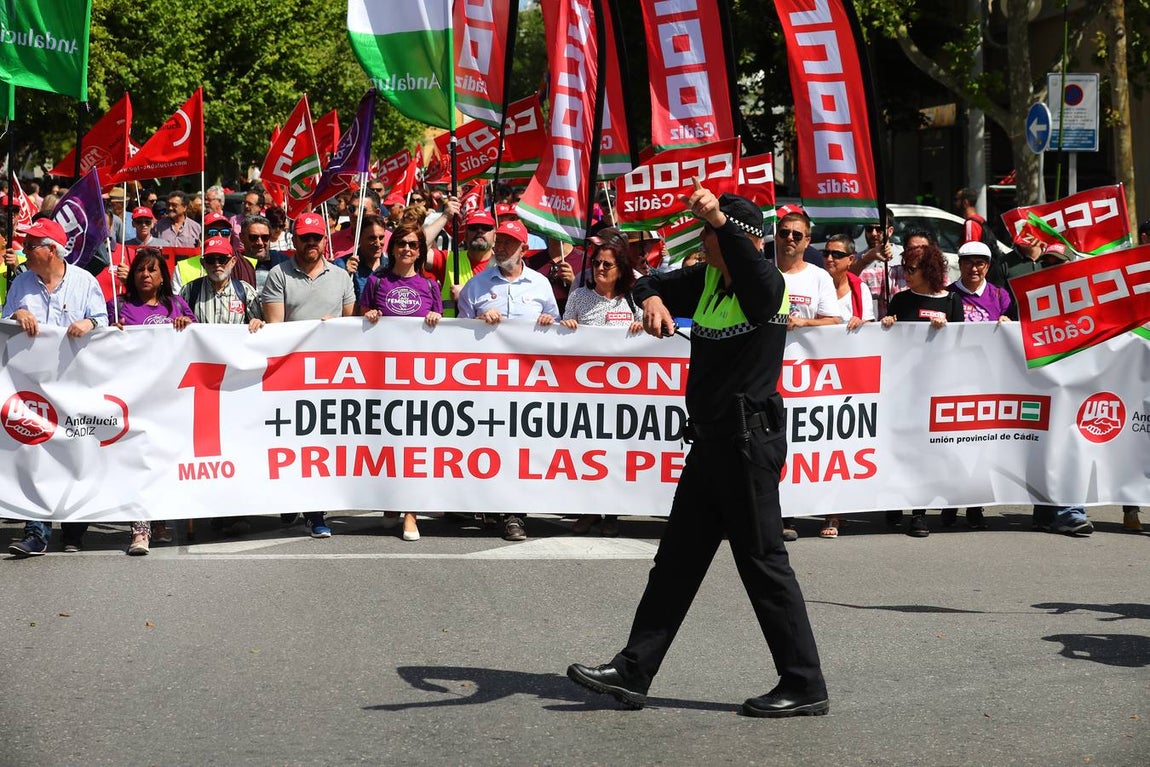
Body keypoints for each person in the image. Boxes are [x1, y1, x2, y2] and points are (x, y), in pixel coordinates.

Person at [567, 184, 828, 718]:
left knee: (763, 564)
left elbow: (746, 261)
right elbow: (650, 284)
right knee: (676, 562)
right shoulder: (708, 277)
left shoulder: (765, 283)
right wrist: (656, 301)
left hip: (748, 445)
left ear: (735, 238)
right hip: (710, 443)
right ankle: (634, 669)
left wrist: (717, 216)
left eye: (708, 235)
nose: (702, 246)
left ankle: (804, 684)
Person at [4, 219, 108, 556]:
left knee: (76, 452)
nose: (24, 250)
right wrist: (16, 313)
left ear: (51, 250)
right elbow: (5, 323)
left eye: (31, 245)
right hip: (33, 389)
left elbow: (105, 322)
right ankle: (37, 532)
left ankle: (75, 530)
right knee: (35, 454)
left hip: (76, 384)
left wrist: (89, 322)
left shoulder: (84, 282)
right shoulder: (21, 283)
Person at [457, 219, 558, 542]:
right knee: (490, 446)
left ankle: (513, 513)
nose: (500, 247)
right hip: (486, 384)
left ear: (523, 249)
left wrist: (548, 322)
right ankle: (490, 504)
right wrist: (477, 322)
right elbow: (456, 335)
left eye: (508, 244)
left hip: (528, 385)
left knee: (519, 448)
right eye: (499, 241)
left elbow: (556, 328)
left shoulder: (540, 285)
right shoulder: (477, 284)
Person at [260, 212, 356, 539]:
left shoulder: (341, 277)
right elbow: (275, 327)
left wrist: (334, 329)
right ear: (295, 240)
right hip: (290, 371)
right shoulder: (278, 274)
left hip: (329, 375)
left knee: (320, 443)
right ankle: (296, 499)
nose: (311, 243)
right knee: (292, 440)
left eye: (316, 237)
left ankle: (314, 510)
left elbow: (349, 327)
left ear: (323, 240)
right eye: (305, 238)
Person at [107, 248, 196, 554]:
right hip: (134, 397)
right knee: (138, 461)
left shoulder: (176, 304)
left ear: (162, 277)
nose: (145, 275)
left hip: (170, 396)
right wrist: (109, 331)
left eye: (152, 270)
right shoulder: (119, 306)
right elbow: (96, 338)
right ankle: (140, 528)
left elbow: (200, 338)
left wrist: (186, 323)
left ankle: (159, 521)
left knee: (162, 461)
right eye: (140, 270)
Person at [360, 223, 444, 542]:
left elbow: (443, 335)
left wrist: (438, 320)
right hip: (384, 379)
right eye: (401, 244)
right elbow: (360, 317)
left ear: (420, 251)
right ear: (392, 248)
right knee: (388, 444)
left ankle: (411, 512)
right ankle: (392, 503)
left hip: (420, 380)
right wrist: (367, 318)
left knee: (414, 447)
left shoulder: (431, 286)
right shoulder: (376, 281)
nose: (407, 249)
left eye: (413, 244)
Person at [561, 227, 642, 538]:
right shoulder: (580, 295)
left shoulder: (632, 299)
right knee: (589, 451)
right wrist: (567, 325)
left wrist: (640, 326)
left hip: (623, 391)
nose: (600, 269)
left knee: (616, 451)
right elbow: (565, 329)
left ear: (619, 268)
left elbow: (651, 330)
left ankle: (612, 513)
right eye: (596, 263)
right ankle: (589, 509)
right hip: (586, 390)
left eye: (607, 264)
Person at [880, 242, 964, 538]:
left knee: (926, 452)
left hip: (937, 388)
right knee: (901, 448)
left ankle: (918, 513)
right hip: (903, 387)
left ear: (928, 270)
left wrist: (947, 329)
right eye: (904, 268)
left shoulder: (952, 301)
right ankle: (894, 502)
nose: (905, 274)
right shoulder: (901, 300)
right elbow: (888, 341)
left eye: (911, 269)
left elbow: (962, 344)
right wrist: (888, 323)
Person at [772, 209, 840, 541]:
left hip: (807, 377)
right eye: (784, 232)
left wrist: (802, 322)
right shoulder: (762, 271)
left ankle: (798, 511)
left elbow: (833, 321)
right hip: (765, 373)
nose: (789, 239)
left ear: (807, 240)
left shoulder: (818, 277)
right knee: (770, 446)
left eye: (797, 235)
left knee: (801, 447)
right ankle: (779, 514)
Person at [442, 209, 497, 317]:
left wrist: (465, 294)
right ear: (465, 235)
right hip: (452, 331)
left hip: (493, 332)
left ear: (495, 236)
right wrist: (445, 216)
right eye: (474, 227)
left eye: (486, 228)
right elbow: (417, 248)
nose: (479, 231)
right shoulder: (448, 258)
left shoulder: (506, 265)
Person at [850, 208, 904, 317]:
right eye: (869, 229)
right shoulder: (857, 259)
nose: (874, 234)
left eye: (879, 229)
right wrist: (867, 258)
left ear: (890, 231)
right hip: (867, 324)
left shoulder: (903, 255)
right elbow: (846, 279)